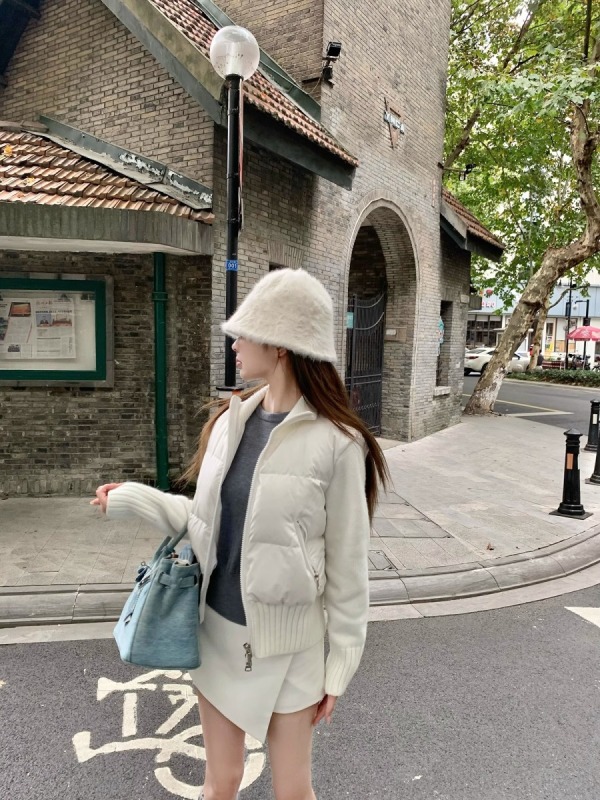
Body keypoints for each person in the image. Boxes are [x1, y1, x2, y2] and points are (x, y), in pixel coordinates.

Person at [92, 268, 389, 800]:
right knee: (220, 783)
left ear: (281, 344)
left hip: (292, 648)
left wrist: (340, 666)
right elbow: (205, 521)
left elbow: (348, 567)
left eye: (245, 332)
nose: (234, 344)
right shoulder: (230, 422)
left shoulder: (339, 444)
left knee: (293, 791)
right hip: (216, 635)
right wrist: (133, 498)